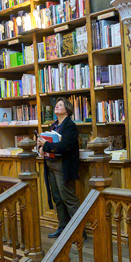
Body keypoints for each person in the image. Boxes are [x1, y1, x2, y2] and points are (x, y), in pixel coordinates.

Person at [40, 98, 81, 237]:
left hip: (63, 166)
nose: (57, 106)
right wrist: (41, 148)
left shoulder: (70, 126)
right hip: (51, 165)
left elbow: (65, 147)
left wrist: (45, 145)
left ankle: (79, 232)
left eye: (61, 104)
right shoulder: (54, 126)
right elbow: (51, 144)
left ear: (67, 110)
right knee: (57, 198)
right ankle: (63, 228)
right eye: (56, 104)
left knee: (68, 198)